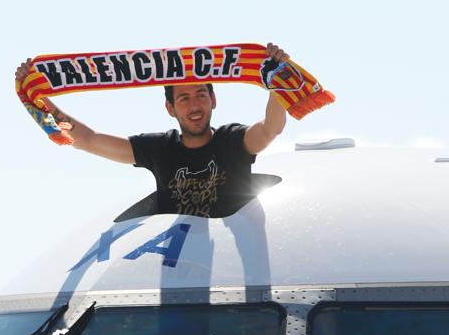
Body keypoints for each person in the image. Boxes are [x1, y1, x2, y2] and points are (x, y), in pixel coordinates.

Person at [15, 43, 293, 218]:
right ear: (170, 108)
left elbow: (271, 128)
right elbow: (88, 140)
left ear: (213, 100)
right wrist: (40, 98)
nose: (195, 105)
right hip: (178, 268)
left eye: (201, 95)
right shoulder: (160, 148)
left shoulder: (231, 141)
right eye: (184, 99)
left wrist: (278, 82)